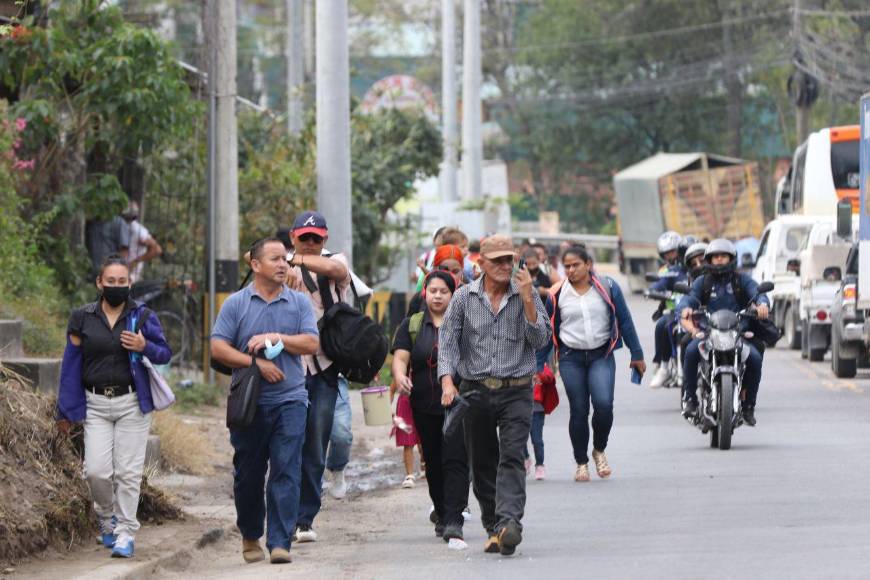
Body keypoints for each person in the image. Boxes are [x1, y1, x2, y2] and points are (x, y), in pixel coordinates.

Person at [438, 234, 551, 556]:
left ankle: (509, 522)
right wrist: (448, 383)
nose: (505, 266)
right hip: (475, 390)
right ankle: (493, 527)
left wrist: (529, 298)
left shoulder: (525, 293)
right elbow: (447, 344)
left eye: (509, 260)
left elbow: (540, 339)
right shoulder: (463, 298)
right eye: (498, 260)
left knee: (513, 455)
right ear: (481, 263)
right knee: (483, 462)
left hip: (516, 390)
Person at [210, 237, 319, 565]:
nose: (283, 264)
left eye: (285, 259)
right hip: (249, 402)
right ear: (255, 265)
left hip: (291, 399)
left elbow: (311, 343)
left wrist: (279, 339)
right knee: (249, 472)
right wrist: (256, 363)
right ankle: (250, 534)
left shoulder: (299, 303)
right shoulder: (236, 304)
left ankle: (280, 541)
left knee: (287, 468)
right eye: (274, 259)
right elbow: (218, 348)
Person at [56, 255, 172, 559]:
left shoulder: (143, 317)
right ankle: (106, 518)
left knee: (129, 473)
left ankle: (124, 533)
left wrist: (144, 346)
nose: (117, 286)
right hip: (94, 404)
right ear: (99, 283)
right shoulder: (82, 317)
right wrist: (65, 411)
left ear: (130, 283)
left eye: (123, 281)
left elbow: (164, 354)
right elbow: (70, 366)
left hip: (132, 403)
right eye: (111, 281)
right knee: (95, 471)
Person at [547, 246, 646, 482]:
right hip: (571, 357)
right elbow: (547, 330)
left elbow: (625, 320)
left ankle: (599, 449)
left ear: (588, 264)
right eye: (567, 266)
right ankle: (581, 462)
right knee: (579, 410)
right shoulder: (557, 293)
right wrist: (539, 364)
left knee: (603, 404)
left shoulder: (608, 287)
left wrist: (637, 353)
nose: (571, 270)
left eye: (576, 265)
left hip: (601, 355)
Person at [284, 210, 352, 544]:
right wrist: (285, 266)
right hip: (285, 369)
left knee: (315, 444)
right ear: (293, 236)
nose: (310, 243)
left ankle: (304, 519)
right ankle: (282, 513)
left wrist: (297, 262)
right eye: (304, 237)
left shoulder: (333, 261)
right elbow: (254, 260)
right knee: (283, 443)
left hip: (324, 369)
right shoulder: (279, 262)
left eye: (316, 238)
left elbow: (337, 270)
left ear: (324, 239)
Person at [392, 270, 470, 542]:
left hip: (459, 403)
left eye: (443, 291)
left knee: (456, 459)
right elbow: (401, 359)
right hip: (424, 403)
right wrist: (400, 376)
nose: (437, 296)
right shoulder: (412, 324)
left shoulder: (465, 323)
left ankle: (454, 519)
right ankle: (441, 509)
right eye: (432, 291)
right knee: (434, 461)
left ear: (454, 294)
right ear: (425, 293)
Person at [678, 239, 770, 426]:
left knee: (755, 358)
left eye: (723, 256)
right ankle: (690, 400)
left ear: (731, 258)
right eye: (715, 257)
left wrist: (763, 304)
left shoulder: (741, 280)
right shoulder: (702, 282)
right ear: (709, 260)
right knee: (690, 350)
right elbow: (688, 299)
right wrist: (685, 308)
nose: (719, 260)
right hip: (709, 333)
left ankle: (748, 405)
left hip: (737, 333)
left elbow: (758, 293)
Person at [649, 231, 689, 388]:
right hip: (673, 312)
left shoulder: (691, 267)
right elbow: (657, 285)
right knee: (661, 326)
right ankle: (664, 366)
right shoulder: (666, 272)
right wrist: (655, 292)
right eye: (666, 254)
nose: (671, 256)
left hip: (692, 312)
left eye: (673, 252)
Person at [407, 244, 465, 315]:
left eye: (455, 271)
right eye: (445, 270)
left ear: (462, 271)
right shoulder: (420, 299)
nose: (450, 275)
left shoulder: (471, 298)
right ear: (434, 268)